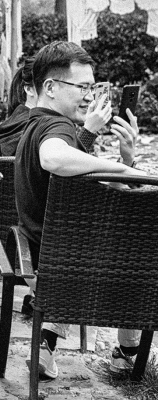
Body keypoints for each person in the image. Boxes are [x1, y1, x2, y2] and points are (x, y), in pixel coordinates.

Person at [15, 41, 145, 379]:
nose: (90, 96)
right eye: (83, 87)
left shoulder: (37, 124)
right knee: (141, 245)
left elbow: (85, 189)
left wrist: (125, 158)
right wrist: (127, 170)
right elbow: (54, 157)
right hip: (79, 268)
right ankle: (130, 351)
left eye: (93, 87)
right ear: (51, 88)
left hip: (51, 264)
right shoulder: (56, 128)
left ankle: (46, 344)